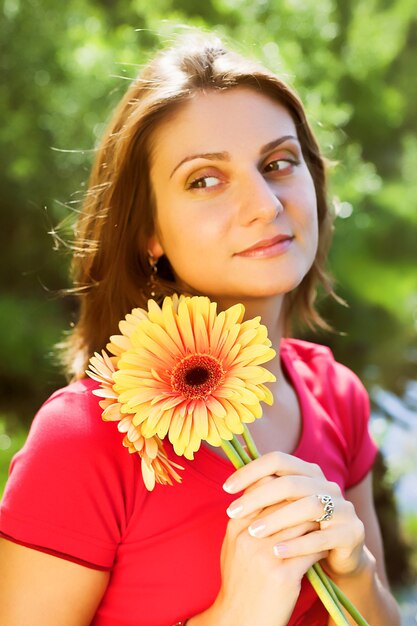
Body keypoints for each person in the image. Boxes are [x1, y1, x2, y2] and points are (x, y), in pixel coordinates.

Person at [0, 31, 401, 626]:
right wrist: (233, 615)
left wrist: (358, 572)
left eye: (278, 163)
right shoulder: (86, 438)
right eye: (204, 179)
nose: (265, 203)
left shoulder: (335, 395)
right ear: (149, 233)